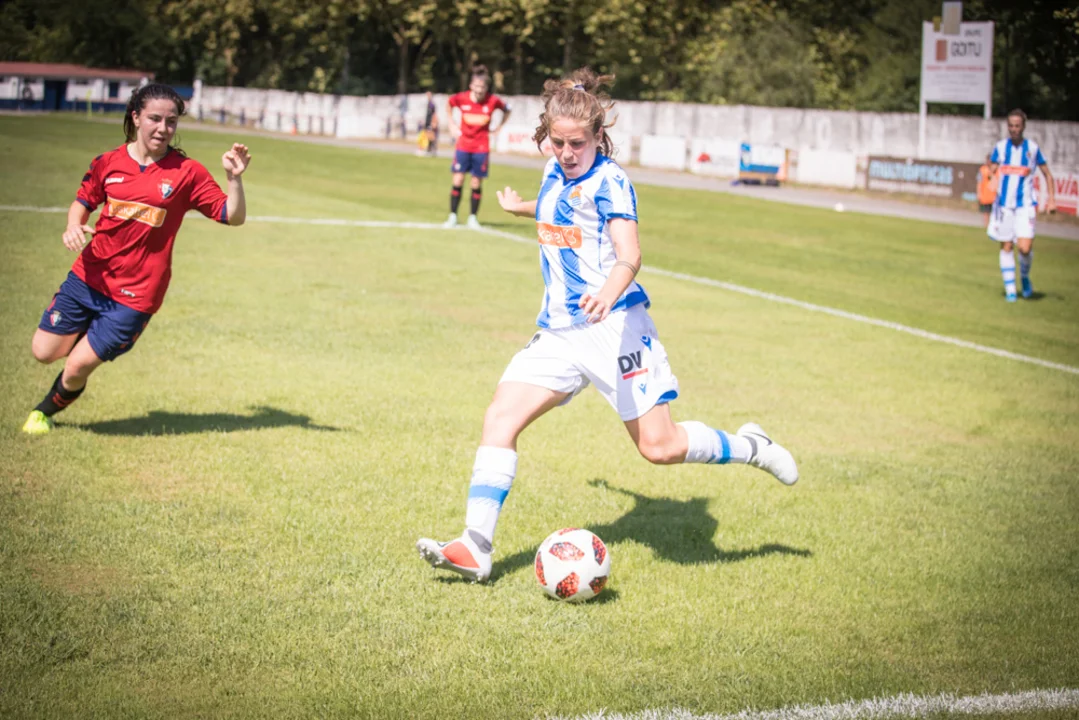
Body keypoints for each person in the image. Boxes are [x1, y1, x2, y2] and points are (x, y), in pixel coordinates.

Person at [416, 68, 798, 584]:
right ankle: (476, 547)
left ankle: (752, 446)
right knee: (499, 418)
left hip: (615, 326)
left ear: (599, 135)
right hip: (559, 331)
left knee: (659, 448)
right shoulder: (554, 170)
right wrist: (518, 207)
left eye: (577, 143)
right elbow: (557, 211)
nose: (567, 152)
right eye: (558, 143)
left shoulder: (612, 182)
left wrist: (607, 293)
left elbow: (629, 253)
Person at [21, 83, 251, 435]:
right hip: (88, 278)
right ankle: (88, 334)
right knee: (42, 351)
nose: (163, 128)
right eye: (155, 119)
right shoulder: (107, 162)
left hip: (136, 294)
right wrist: (73, 226)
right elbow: (83, 202)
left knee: (77, 366)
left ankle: (43, 412)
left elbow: (232, 216)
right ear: (136, 117)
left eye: (171, 121)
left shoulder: (187, 172)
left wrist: (234, 179)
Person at [986, 109, 1056, 301]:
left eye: (1017, 126)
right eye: (1011, 126)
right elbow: (991, 169)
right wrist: (992, 176)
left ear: (1023, 126)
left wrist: (1051, 199)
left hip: (1025, 205)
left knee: (1024, 248)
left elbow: (1048, 175)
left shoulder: (1032, 148)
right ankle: (1010, 290)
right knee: (1006, 245)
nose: (1014, 129)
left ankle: (1024, 276)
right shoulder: (1001, 147)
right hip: (1004, 206)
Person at [443, 64, 511, 229]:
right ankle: (453, 216)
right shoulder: (462, 98)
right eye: (477, 86)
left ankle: (472, 218)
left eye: (482, 87)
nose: (479, 90)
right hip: (463, 145)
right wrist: (451, 124)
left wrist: (499, 127)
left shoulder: (492, 101)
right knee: (458, 179)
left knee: (475, 183)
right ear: (471, 86)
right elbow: (449, 104)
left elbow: (507, 109)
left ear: (486, 88)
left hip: (481, 147)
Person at [975, 153, 997, 229]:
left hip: (994, 196)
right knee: (986, 213)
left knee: (994, 214)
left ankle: (992, 227)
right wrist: (979, 193)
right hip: (985, 196)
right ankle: (986, 227)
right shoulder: (982, 170)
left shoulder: (997, 170)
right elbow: (979, 182)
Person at [423, 91, 439, 157]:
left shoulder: (432, 104)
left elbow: (434, 113)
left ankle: (433, 150)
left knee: (431, 137)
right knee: (428, 136)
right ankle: (429, 150)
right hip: (427, 123)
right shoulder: (428, 103)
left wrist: (434, 122)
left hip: (430, 123)